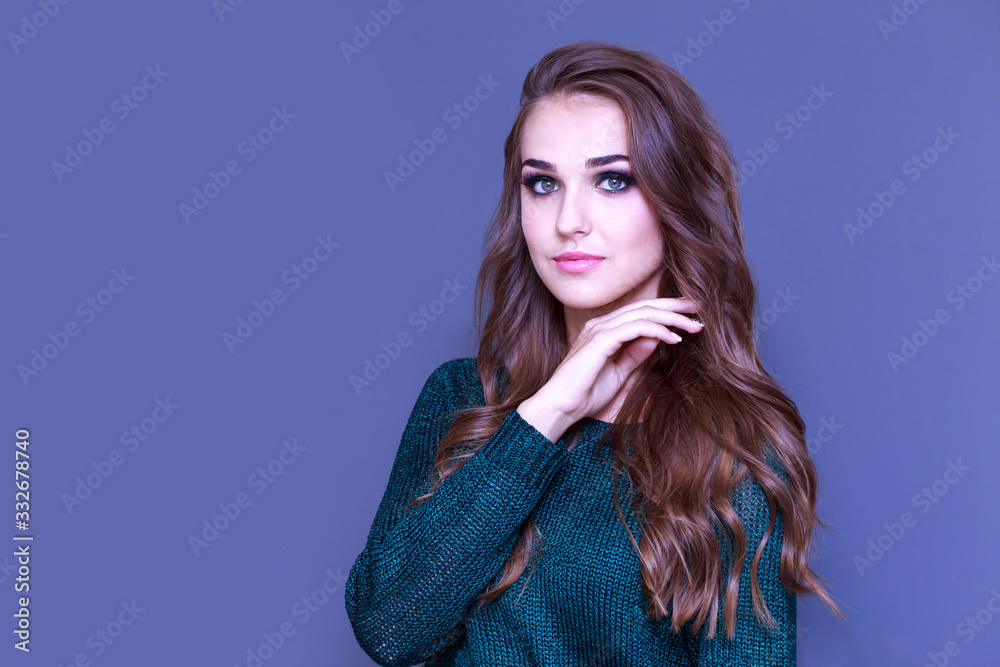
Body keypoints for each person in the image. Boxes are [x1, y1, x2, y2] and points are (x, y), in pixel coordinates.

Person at [344, 41, 843, 666]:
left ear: (675, 199)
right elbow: (389, 629)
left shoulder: (733, 445)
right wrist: (545, 414)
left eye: (612, 180)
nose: (568, 221)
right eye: (543, 184)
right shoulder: (462, 398)